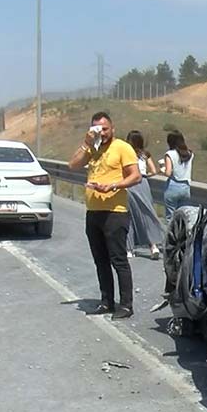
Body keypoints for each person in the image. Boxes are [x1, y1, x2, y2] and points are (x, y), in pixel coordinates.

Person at [67, 111, 142, 320]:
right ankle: (106, 301)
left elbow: (136, 176)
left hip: (115, 212)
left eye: (105, 128)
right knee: (100, 260)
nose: (102, 133)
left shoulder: (122, 148)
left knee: (118, 259)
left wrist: (113, 185)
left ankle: (126, 304)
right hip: (93, 211)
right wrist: (86, 143)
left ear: (113, 128)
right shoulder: (92, 148)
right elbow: (72, 165)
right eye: (97, 129)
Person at [124, 130, 164, 260]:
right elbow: (154, 170)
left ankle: (129, 249)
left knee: (129, 216)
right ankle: (153, 246)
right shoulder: (145, 155)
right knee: (148, 213)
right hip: (143, 183)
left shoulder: (126, 154)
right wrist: (145, 175)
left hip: (130, 184)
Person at [160, 130, 195, 225]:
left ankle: (170, 238)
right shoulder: (189, 154)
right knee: (183, 217)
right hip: (186, 187)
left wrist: (162, 169)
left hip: (173, 186)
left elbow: (168, 172)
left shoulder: (170, 154)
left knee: (170, 218)